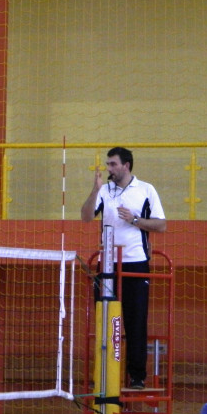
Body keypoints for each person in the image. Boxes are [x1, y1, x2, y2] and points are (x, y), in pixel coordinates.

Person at [80, 146, 166, 389]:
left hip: (135, 263)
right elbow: (86, 217)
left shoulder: (146, 189)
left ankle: (137, 376)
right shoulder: (104, 190)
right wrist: (95, 189)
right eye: (108, 164)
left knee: (135, 320)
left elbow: (161, 225)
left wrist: (134, 220)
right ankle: (104, 374)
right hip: (107, 264)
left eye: (113, 164)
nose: (109, 168)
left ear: (126, 165)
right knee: (104, 318)